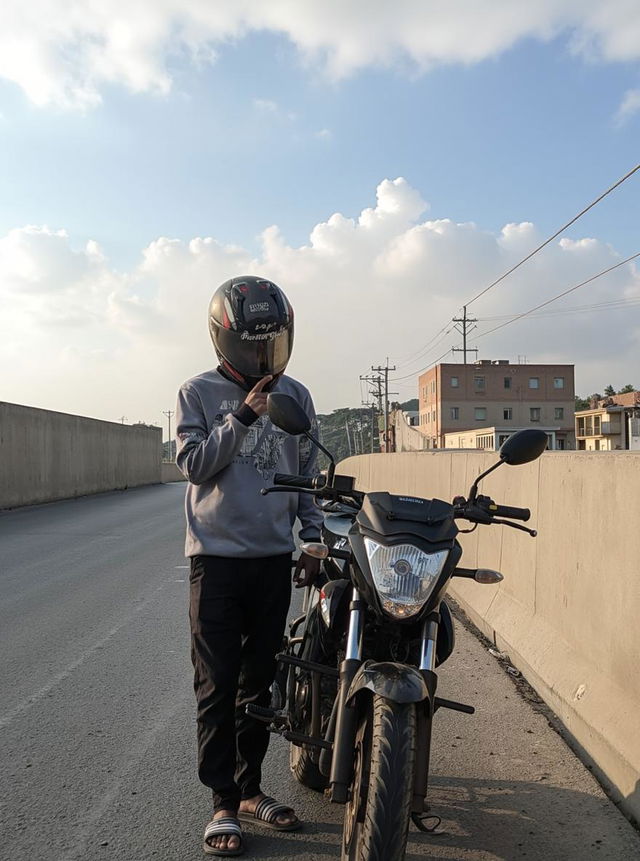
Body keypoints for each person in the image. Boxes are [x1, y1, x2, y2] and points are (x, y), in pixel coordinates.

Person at [175, 275, 323, 857]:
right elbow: (192, 465)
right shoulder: (197, 393)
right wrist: (239, 418)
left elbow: (306, 474)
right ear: (224, 341)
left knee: (258, 685)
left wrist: (311, 538)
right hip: (214, 560)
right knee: (216, 685)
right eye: (251, 345)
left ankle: (250, 791)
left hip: (271, 558)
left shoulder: (300, 396)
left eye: (272, 344)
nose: (263, 358)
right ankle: (220, 803)